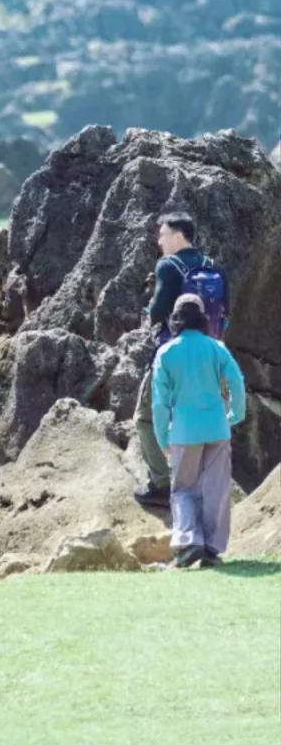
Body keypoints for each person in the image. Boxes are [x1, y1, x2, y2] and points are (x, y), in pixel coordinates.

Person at [133, 211, 226, 508]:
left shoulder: (167, 266)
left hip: (172, 356)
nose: (159, 241)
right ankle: (200, 483)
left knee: (145, 418)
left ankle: (161, 483)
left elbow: (159, 309)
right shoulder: (212, 267)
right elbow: (226, 311)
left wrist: (148, 308)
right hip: (208, 357)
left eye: (162, 235)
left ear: (177, 236)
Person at [152, 293, 245, 568]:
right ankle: (212, 547)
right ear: (203, 318)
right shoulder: (216, 348)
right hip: (217, 427)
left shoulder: (166, 353)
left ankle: (189, 540)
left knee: (183, 488)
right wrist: (235, 414)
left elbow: (159, 403)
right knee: (216, 488)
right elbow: (236, 381)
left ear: (176, 320)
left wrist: (162, 438)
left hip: (183, 432)